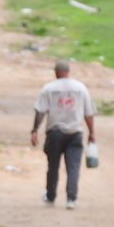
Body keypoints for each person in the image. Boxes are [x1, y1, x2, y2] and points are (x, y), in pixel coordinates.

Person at [30, 60, 96, 209]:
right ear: (68, 72)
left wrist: (35, 130)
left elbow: (40, 111)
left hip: (55, 133)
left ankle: (51, 195)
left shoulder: (49, 88)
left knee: (53, 165)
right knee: (73, 167)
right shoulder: (80, 88)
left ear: (56, 72)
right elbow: (89, 113)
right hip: (75, 132)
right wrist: (92, 133)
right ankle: (71, 199)